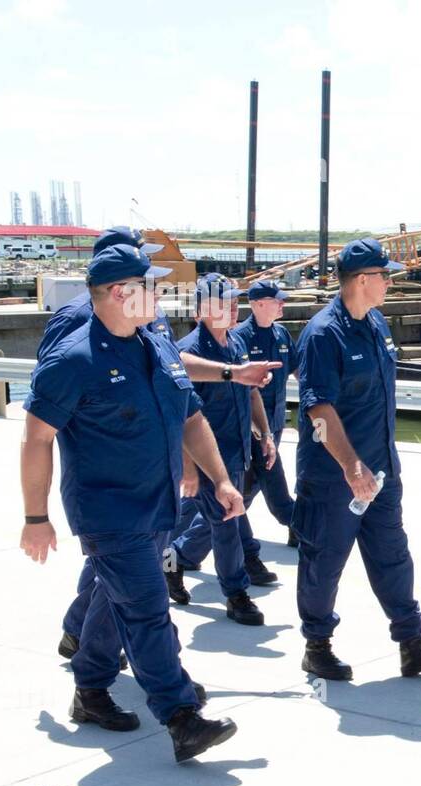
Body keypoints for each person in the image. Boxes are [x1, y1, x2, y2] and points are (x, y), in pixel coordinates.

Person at [20, 244, 240, 762]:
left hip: (160, 504)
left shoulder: (157, 348)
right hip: (109, 513)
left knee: (110, 599)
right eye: (152, 286)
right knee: (146, 610)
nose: (162, 294)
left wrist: (222, 481)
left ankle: (91, 688)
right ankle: (180, 714)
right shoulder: (74, 360)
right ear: (122, 293)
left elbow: (190, 418)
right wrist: (36, 517)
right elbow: (36, 439)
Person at [51, 235, 280, 667]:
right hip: (111, 480)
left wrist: (233, 374)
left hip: (152, 472)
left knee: (128, 575)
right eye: (143, 271)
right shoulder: (77, 319)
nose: (153, 283)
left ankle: (87, 642)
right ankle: (133, 674)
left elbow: (172, 370)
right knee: (132, 580)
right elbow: (57, 402)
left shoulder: (146, 321)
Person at [293, 238, 421, 681]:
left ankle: (412, 644)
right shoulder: (322, 335)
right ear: (363, 280)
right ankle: (318, 646)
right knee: (324, 561)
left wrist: (375, 467)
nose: (389, 282)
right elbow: (318, 411)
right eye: (384, 276)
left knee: (393, 556)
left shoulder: (377, 324)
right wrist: (351, 467)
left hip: (382, 471)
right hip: (334, 477)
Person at [164, 275, 276, 624]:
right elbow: (181, 412)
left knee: (210, 518)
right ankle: (236, 593)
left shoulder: (236, 343)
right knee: (226, 524)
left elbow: (251, 389)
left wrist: (266, 433)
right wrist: (190, 466)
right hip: (208, 459)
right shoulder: (188, 350)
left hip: (238, 451)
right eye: (221, 301)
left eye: (232, 300)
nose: (231, 307)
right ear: (200, 310)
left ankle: (175, 559)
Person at [233, 280, 298, 554]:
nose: (282, 304)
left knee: (255, 481)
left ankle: (225, 526)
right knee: (268, 477)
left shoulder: (282, 335)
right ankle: (299, 525)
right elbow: (237, 388)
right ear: (258, 304)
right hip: (251, 427)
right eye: (277, 300)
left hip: (276, 421)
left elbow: (298, 370)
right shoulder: (239, 338)